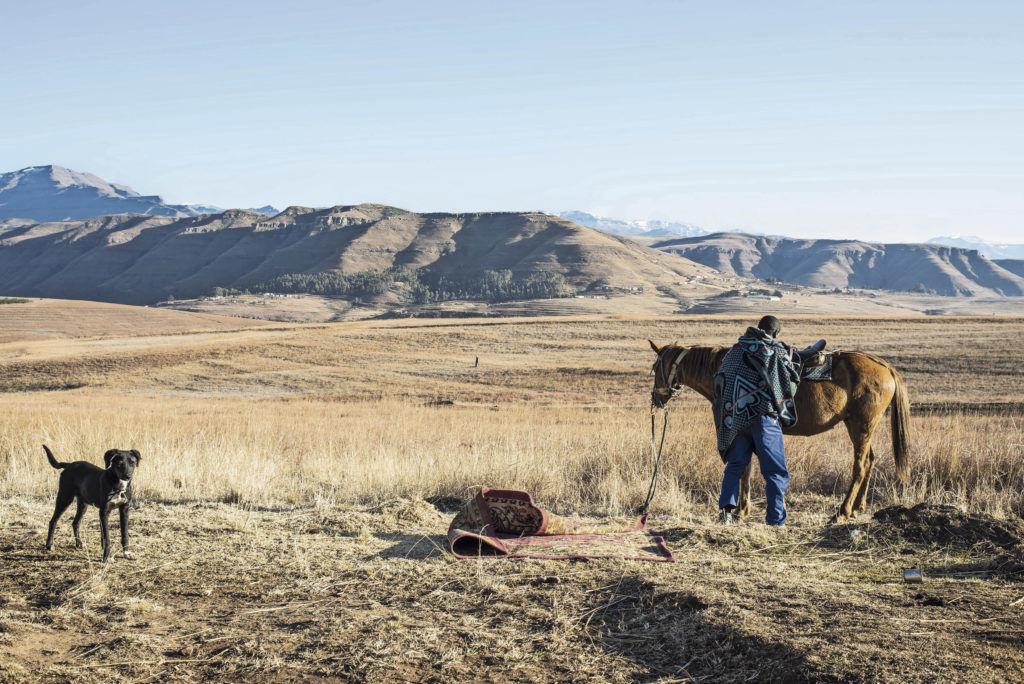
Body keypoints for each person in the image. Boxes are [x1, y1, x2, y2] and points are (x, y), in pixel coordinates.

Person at [712, 315, 799, 526]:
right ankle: (775, 521)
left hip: (737, 420)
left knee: (735, 466)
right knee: (775, 472)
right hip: (764, 418)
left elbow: (720, 381)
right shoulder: (774, 351)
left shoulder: (734, 351)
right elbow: (789, 386)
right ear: (776, 333)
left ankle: (726, 515)